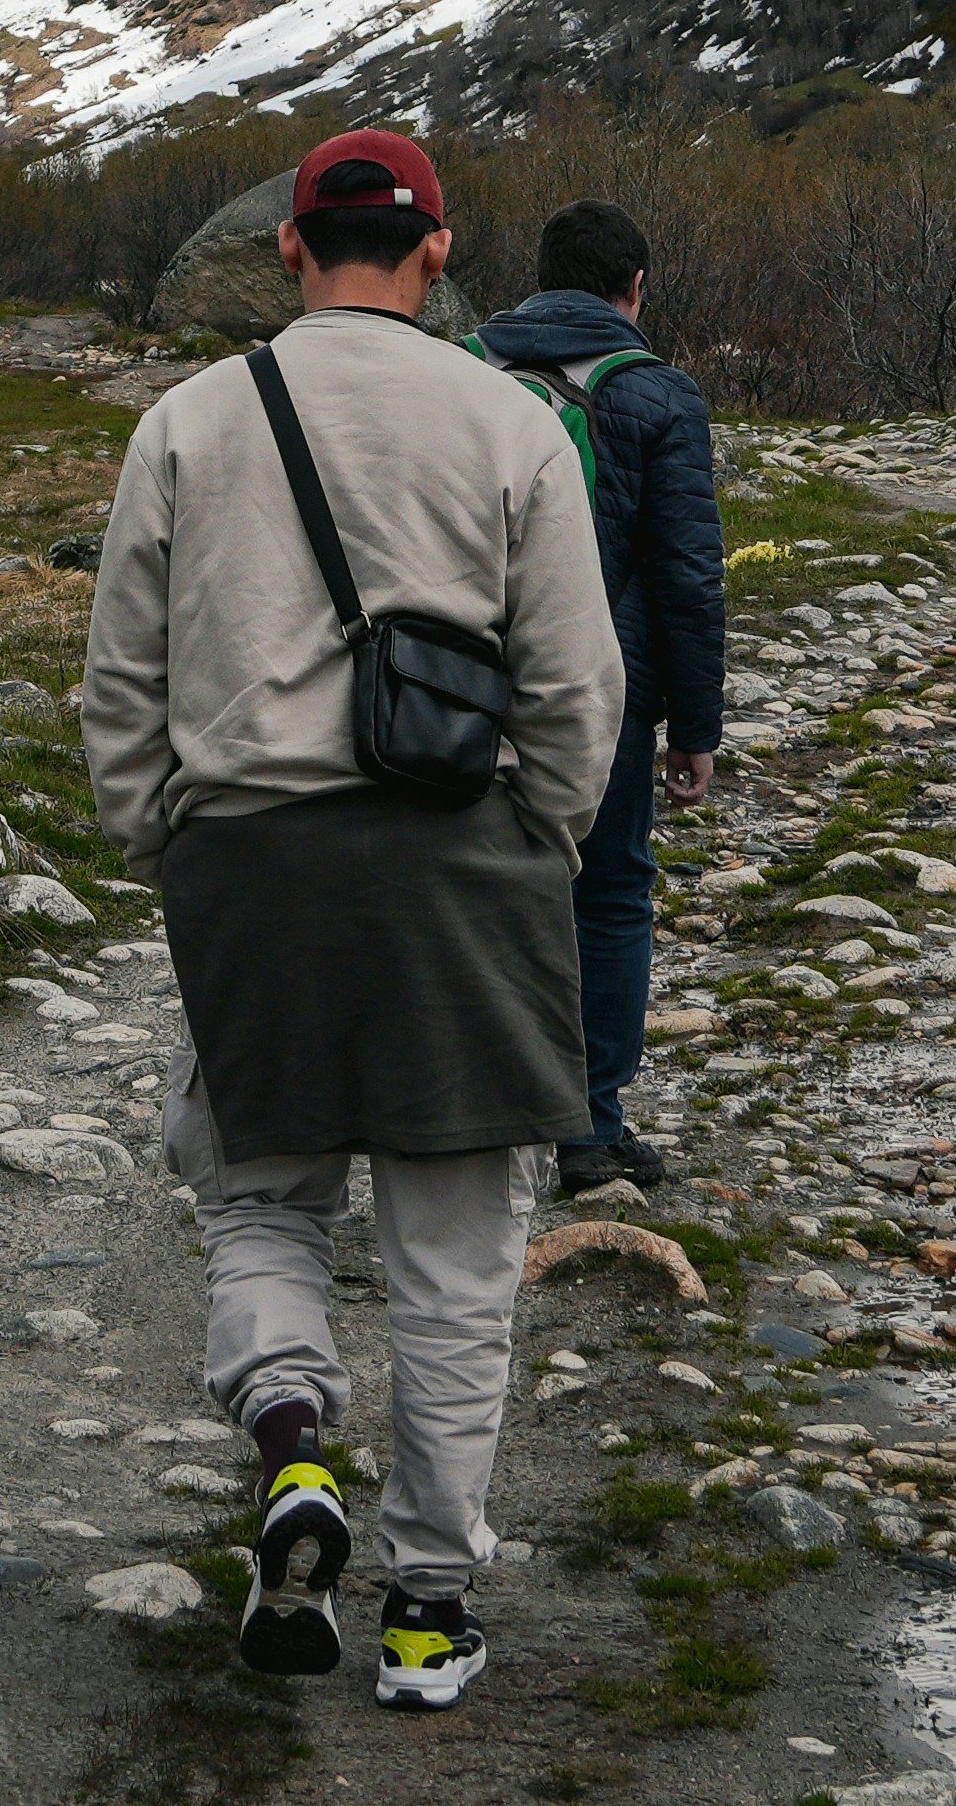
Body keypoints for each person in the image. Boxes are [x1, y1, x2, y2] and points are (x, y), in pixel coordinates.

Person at [83, 127, 622, 1712]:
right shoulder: (515, 421)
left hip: (252, 865)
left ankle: (294, 1447)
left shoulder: (189, 421)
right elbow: (579, 683)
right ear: (441, 251)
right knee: (456, 1261)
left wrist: (165, 838)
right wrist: (544, 840)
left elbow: (124, 678)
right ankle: (427, 1610)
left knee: (262, 1206)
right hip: (467, 868)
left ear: (289, 249)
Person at [474, 201, 726, 1200]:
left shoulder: (462, 372)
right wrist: (696, 727)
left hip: (459, 681)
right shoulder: (659, 394)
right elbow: (688, 578)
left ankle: (476, 1115)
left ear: (539, 277)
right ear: (635, 290)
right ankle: (588, 1130)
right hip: (603, 687)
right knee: (611, 891)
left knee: (477, 893)